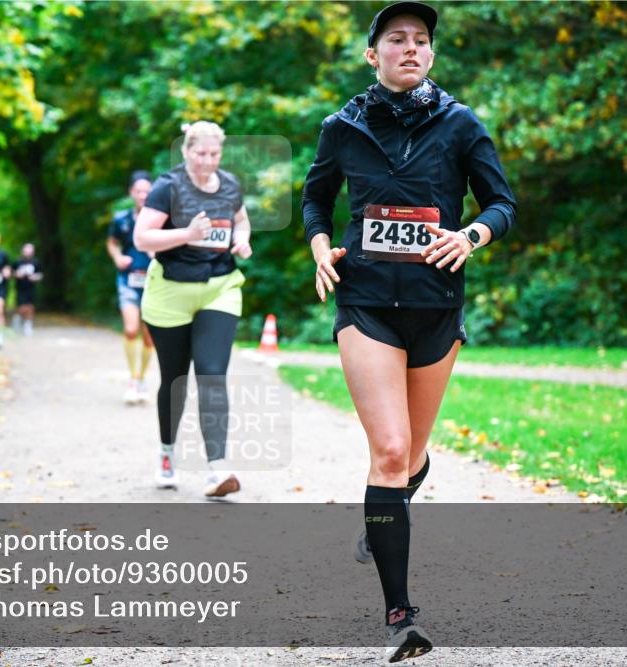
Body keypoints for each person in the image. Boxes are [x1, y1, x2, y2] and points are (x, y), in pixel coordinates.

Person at [302, 2, 517, 662]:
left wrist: (472, 234)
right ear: (373, 54)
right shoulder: (342, 126)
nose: (410, 47)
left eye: (421, 39)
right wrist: (318, 245)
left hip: (435, 310)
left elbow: (502, 202)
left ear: (431, 53)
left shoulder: (460, 124)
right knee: (391, 451)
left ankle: (381, 511)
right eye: (396, 38)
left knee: (412, 457)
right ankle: (400, 615)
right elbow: (316, 196)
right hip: (365, 302)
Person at [134, 121, 253, 497]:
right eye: (200, 154)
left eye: (214, 155)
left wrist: (241, 240)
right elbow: (142, 237)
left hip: (220, 288)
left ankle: (217, 469)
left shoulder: (230, 185)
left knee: (212, 374)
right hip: (170, 291)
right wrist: (187, 234)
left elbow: (241, 221)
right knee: (175, 380)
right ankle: (167, 453)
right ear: (186, 152)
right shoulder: (168, 187)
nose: (207, 161)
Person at [106, 172, 157, 404]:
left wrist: (157, 253)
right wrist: (117, 257)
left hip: (154, 283)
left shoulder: (160, 221)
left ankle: (142, 377)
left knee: (149, 337)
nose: (143, 195)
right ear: (131, 193)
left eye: (147, 190)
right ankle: (132, 379)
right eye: (139, 191)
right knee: (130, 329)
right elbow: (111, 242)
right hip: (127, 281)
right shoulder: (121, 219)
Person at [11, 243, 43, 337]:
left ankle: (28, 325)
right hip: (20, 288)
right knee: (21, 307)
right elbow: (11, 273)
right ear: (22, 252)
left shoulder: (36, 262)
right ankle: (18, 319)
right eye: (25, 251)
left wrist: (35, 277)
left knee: (30, 307)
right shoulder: (17, 262)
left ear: (32, 252)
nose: (27, 253)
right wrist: (17, 274)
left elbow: (40, 274)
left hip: (31, 288)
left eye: (29, 251)